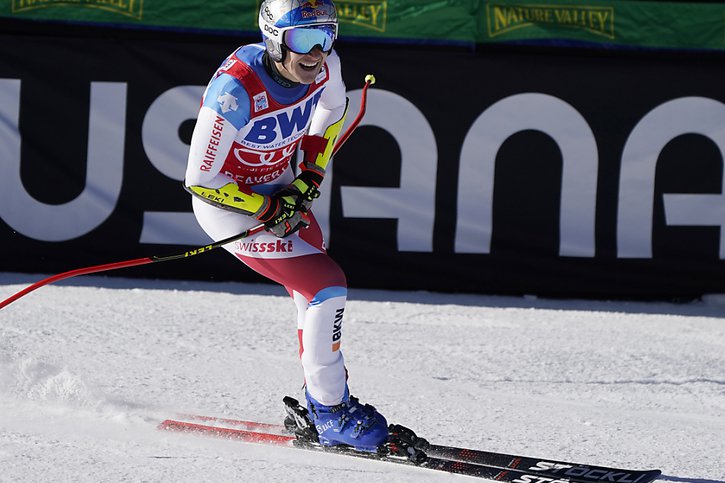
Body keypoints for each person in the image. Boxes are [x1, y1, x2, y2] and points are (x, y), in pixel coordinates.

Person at [183, 0, 388, 452]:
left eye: (327, 35)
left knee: (311, 293)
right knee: (326, 285)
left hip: (280, 190)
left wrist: (311, 172)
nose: (316, 52)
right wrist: (266, 208)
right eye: (303, 39)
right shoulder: (236, 91)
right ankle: (332, 412)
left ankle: (323, 403)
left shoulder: (325, 65)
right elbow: (200, 179)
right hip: (231, 206)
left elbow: (332, 112)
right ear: (274, 37)